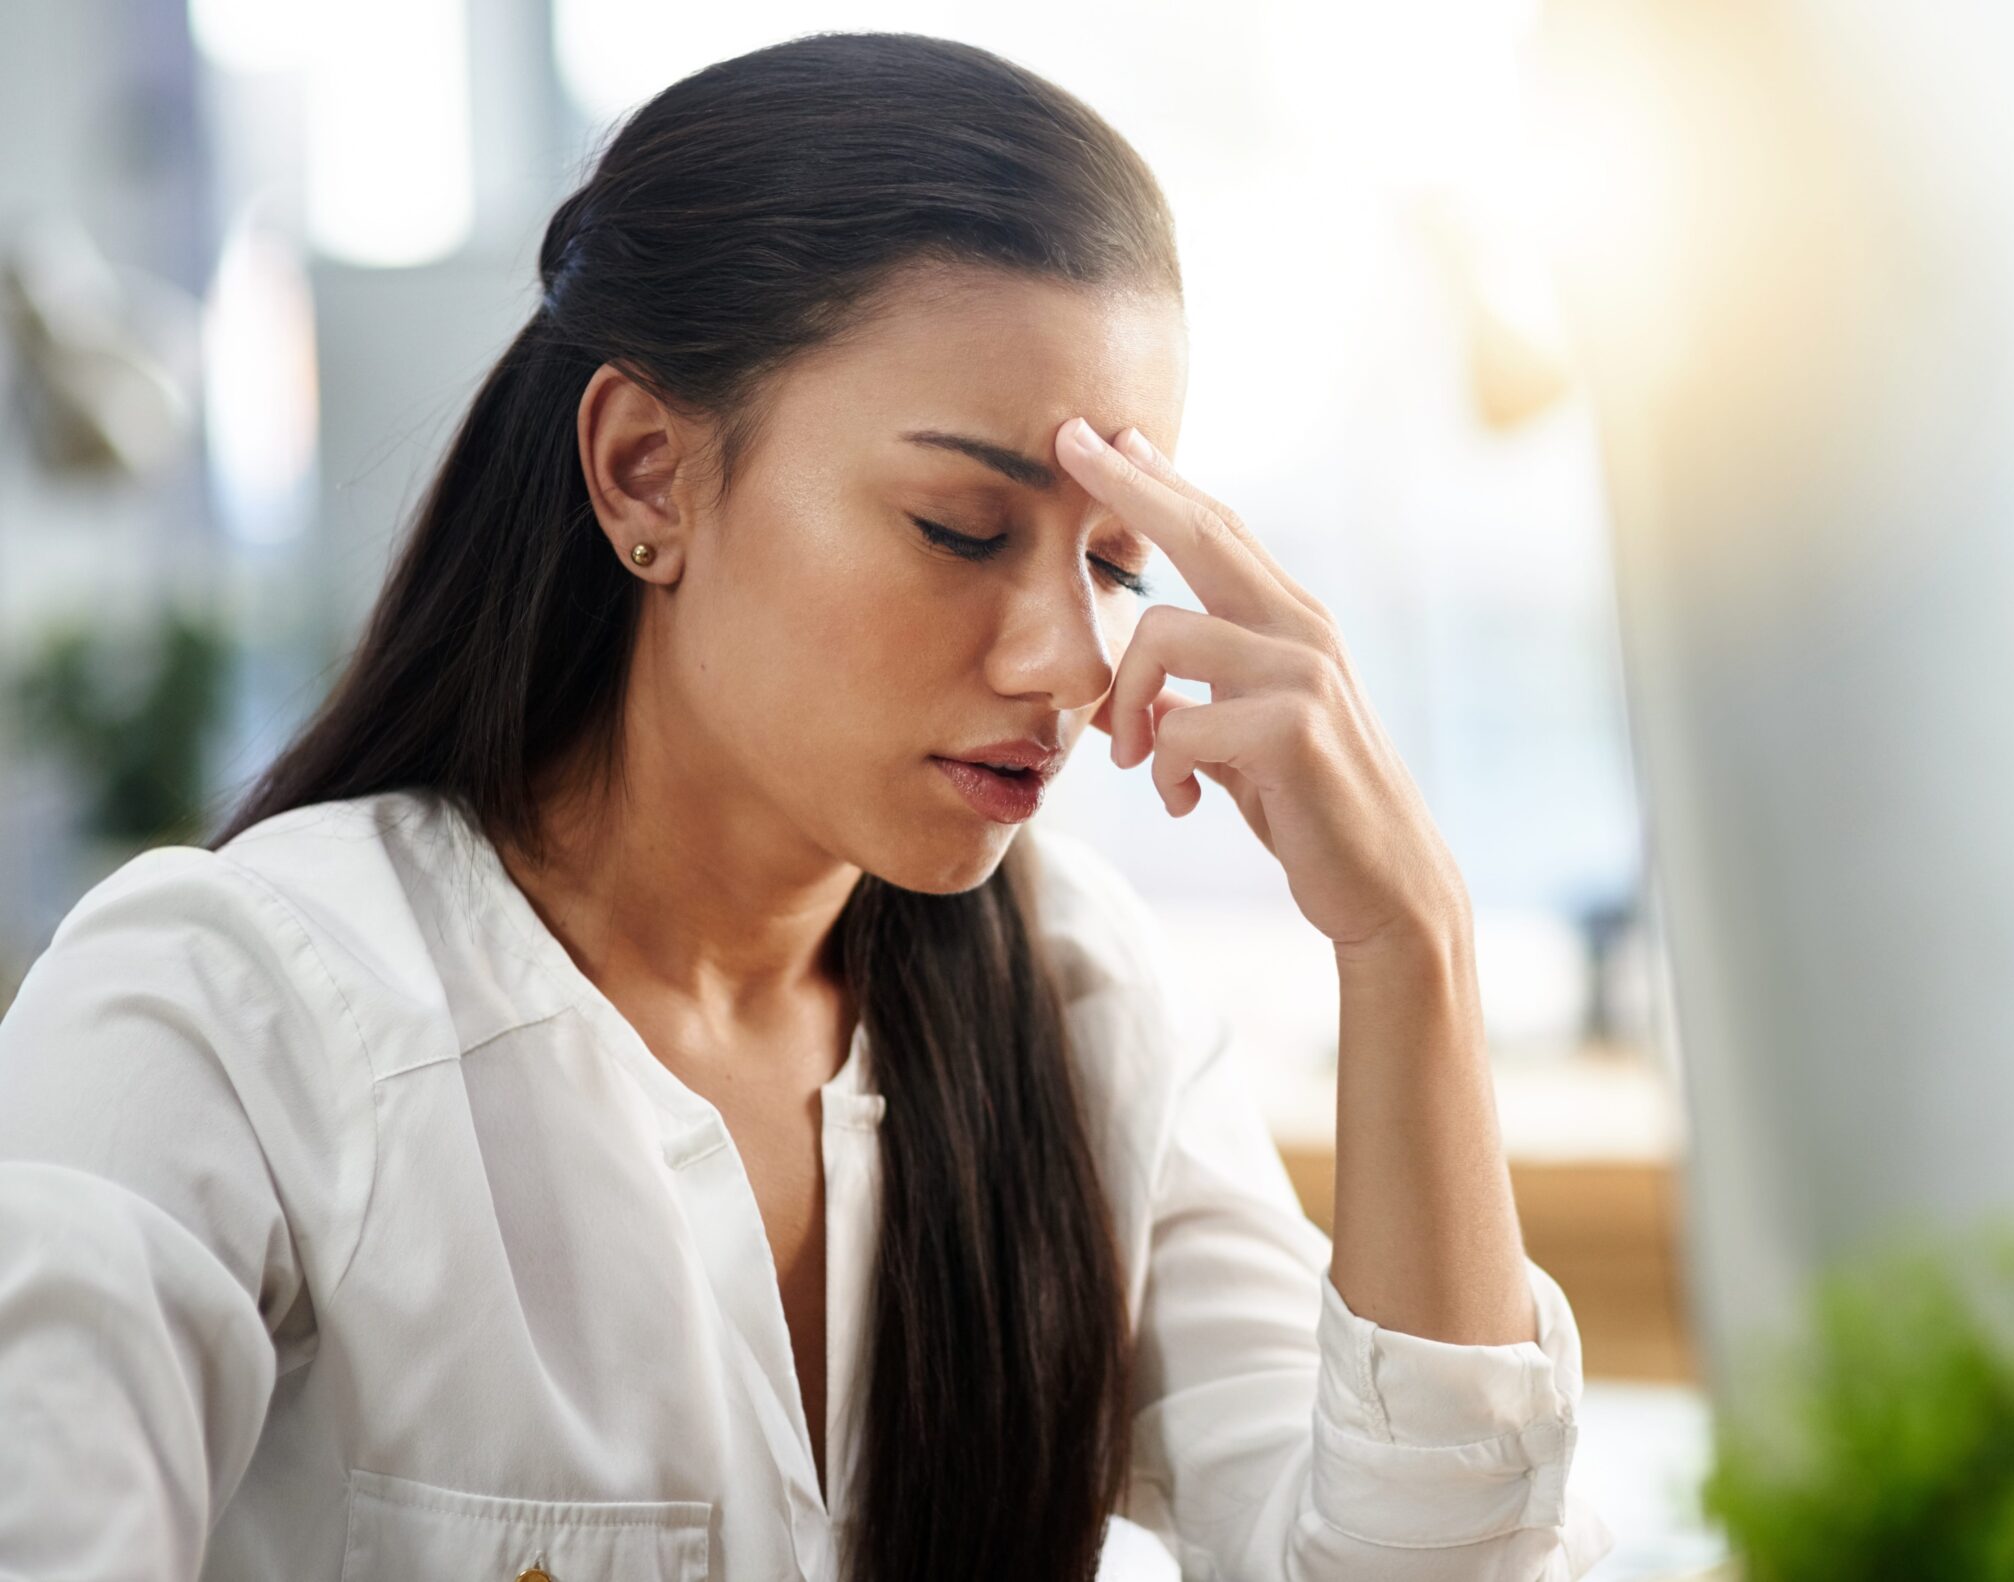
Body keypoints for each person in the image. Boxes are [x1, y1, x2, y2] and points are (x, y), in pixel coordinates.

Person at [0, 31, 1613, 1582]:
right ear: (647, 473)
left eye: (1115, 559)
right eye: (962, 528)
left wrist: (1411, 942)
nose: (1067, 656)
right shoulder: (227, 1014)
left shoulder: (1078, 1009)